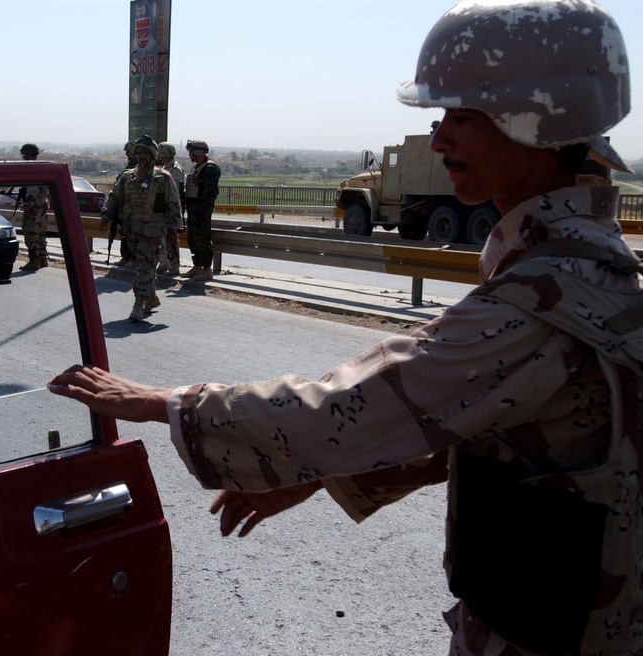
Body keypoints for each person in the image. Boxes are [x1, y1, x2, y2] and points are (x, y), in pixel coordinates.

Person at [49, 2, 640, 653]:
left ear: (539, 124)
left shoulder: (541, 295)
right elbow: (489, 424)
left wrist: (163, 402)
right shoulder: (589, 256)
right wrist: (321, 474)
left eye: (462, 118)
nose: (439, 139)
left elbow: (360, 402)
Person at [99, 135, 182, 322]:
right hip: (131, 231)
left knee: (145, 265)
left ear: (153, 155)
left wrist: (173, 230)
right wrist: (105, 216)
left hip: (153, 231)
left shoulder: (163, 178)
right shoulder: (128, 177)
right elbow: (114, 197)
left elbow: (174, 204)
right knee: (142, 266)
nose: (142, 156)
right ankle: (151, 297)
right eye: (139, 153)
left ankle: (138, 303)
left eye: (145, 153)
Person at [181, 139, 220, 281]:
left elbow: (211, 192)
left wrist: (201, 184)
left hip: (202, 210)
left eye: (191, 151)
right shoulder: (197, 168)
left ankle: (206, 268)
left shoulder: (210, 168)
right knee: (192, 237)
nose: (190, 154)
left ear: (198, 152)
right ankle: (197, 265)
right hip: (193, 209)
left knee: (202, 238)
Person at [18, 142, 51, 272]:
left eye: (24, 155)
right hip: (43, 205)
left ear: (28, 155)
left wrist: (28, 207)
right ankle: (43, 259)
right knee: (41, 233)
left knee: (31, 233)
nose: (23, 158)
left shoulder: (32, 169)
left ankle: (34, 261)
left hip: (35, 206)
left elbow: (32, 190)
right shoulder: (42, 167)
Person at [156, 141, 185, 276]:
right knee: (161, 238)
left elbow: (176, 192)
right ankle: (164, 262)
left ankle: (174, 266)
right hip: (162, 209)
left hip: (171, 209)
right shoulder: (164, 168)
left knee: (171, 238)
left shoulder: (175, 169)